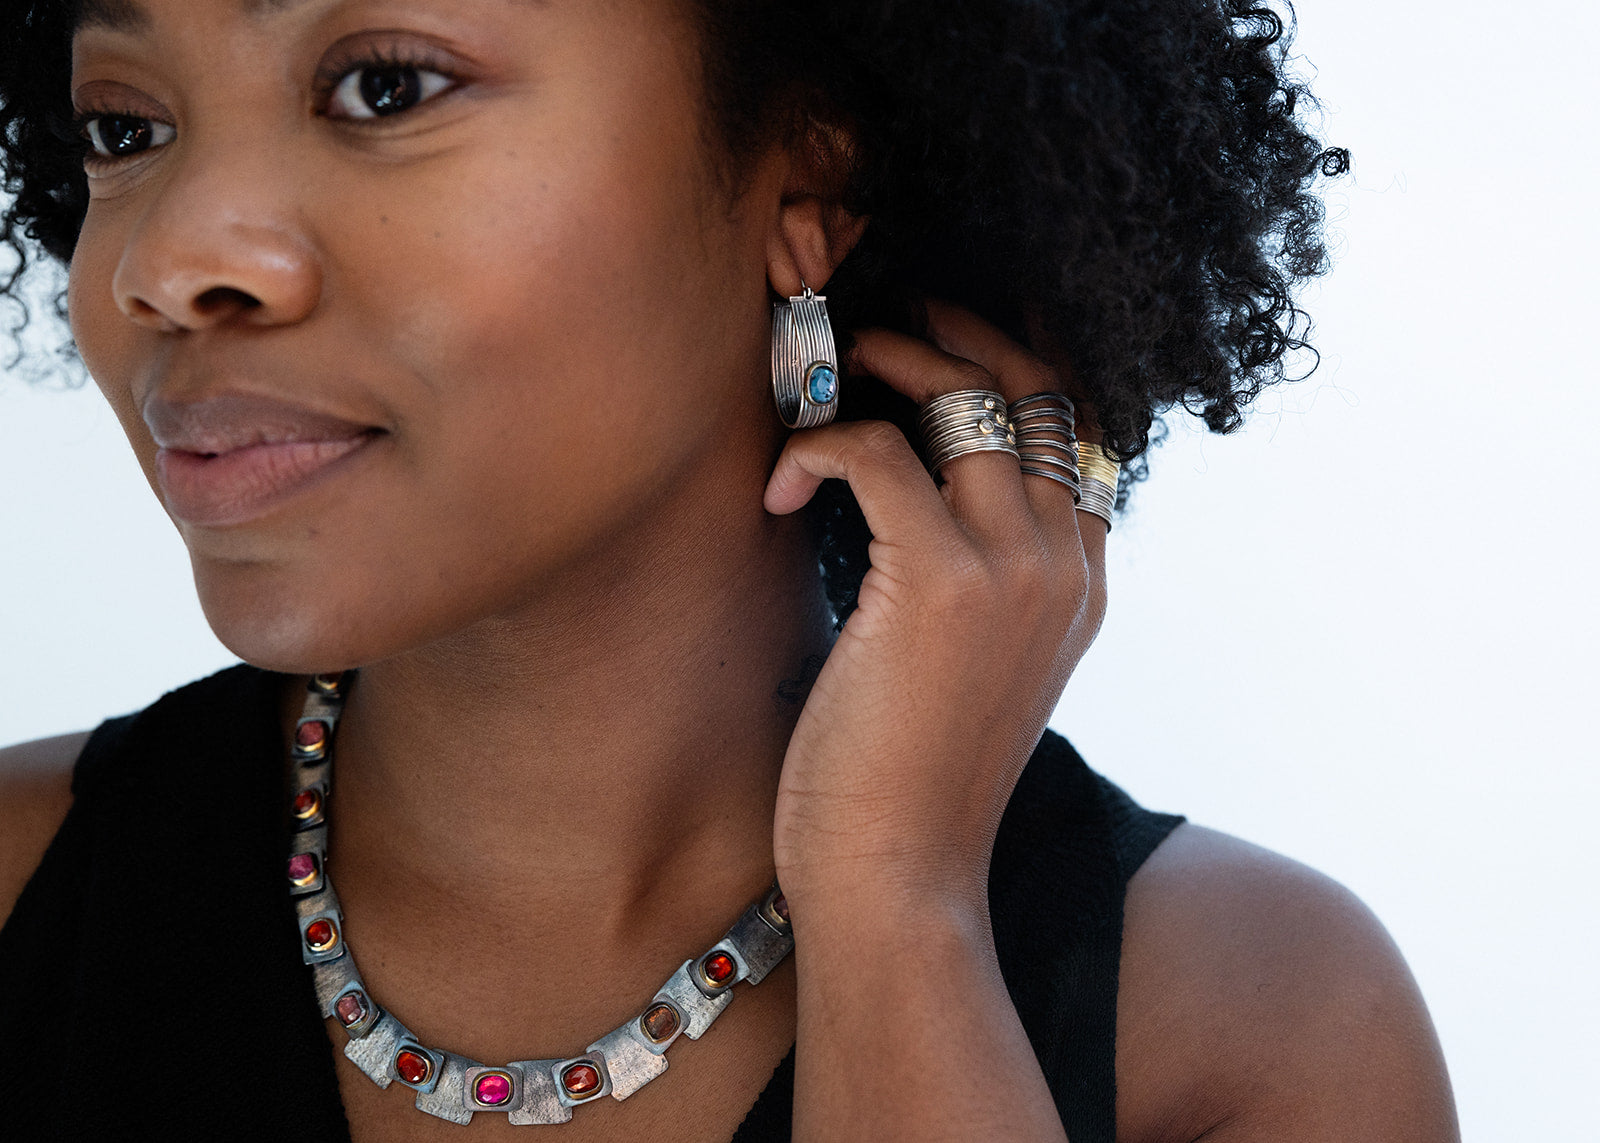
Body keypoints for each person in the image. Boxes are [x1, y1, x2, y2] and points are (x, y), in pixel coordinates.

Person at [0, 0, 1458, 1139]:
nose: (169, 259)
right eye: (126, 130)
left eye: (387, 85)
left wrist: (898, 906)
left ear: (808, 169)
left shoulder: (1252, 1028)